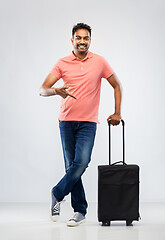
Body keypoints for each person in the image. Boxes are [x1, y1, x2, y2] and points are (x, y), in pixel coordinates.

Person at [39, 23, 122, 227]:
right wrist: (56, 91)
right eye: (78, 38)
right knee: (71, 166)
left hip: (88, 123)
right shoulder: (62, 63)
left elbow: (117, 85)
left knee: (81, 163)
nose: (82, 41)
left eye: (86, 38)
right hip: (66, 122)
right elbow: (43, 90)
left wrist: (117, 112)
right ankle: (80, 211)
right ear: (72, 40)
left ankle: (57, 192)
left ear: (90, 40)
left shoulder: (100, 62)